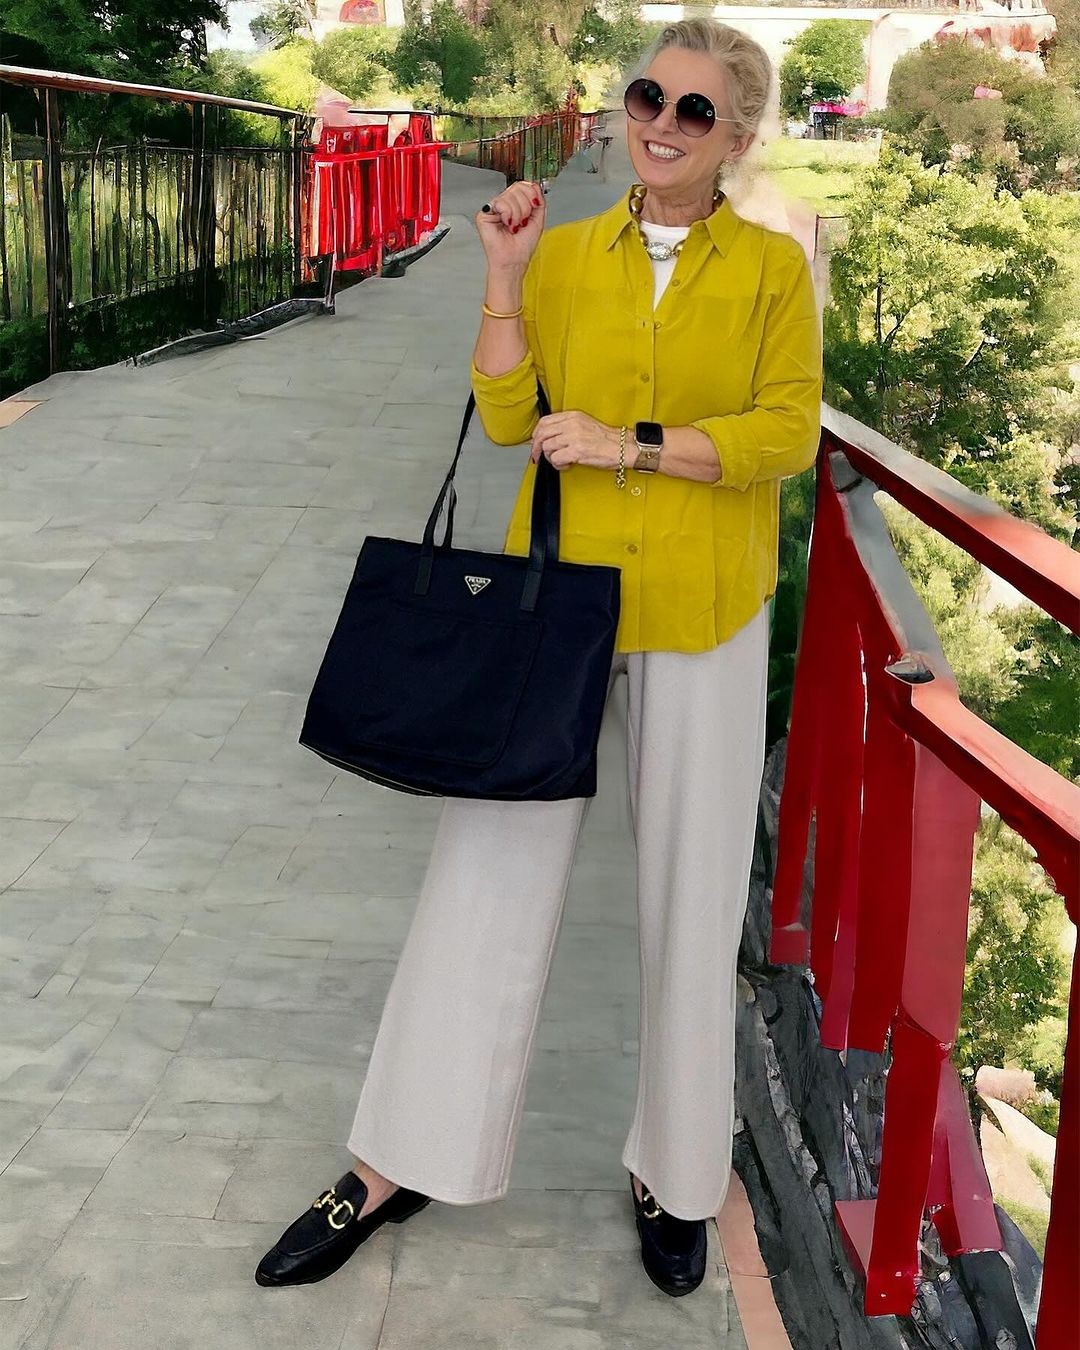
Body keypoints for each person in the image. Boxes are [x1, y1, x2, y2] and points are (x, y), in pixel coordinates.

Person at [255, 17, 822, 1299]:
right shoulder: (567, 254)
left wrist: (633, 442)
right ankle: (393, 1161)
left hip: (705, 610)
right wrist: (504, 274)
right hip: (556, 605)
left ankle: (676, 1174)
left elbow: (785, 432)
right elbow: (509, 416)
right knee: (484, 879)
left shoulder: (776, 271)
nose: (660, 126)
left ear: (735, 138)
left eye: (694, 112)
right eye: (647, 98)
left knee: (689, 902)